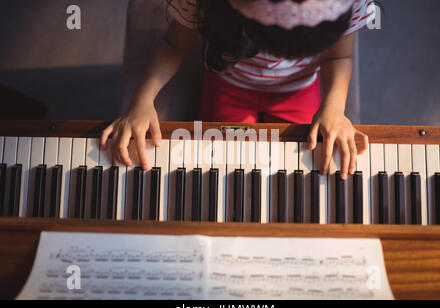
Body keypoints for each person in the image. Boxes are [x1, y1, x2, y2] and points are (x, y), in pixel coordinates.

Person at [101, 0, 376, 180]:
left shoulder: (343, 4)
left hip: (298, 90)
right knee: (223, 168)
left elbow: (337, 57)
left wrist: (334, 109)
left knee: (307, 166)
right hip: (229, 85)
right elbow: (174, 44)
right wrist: (142, 100)